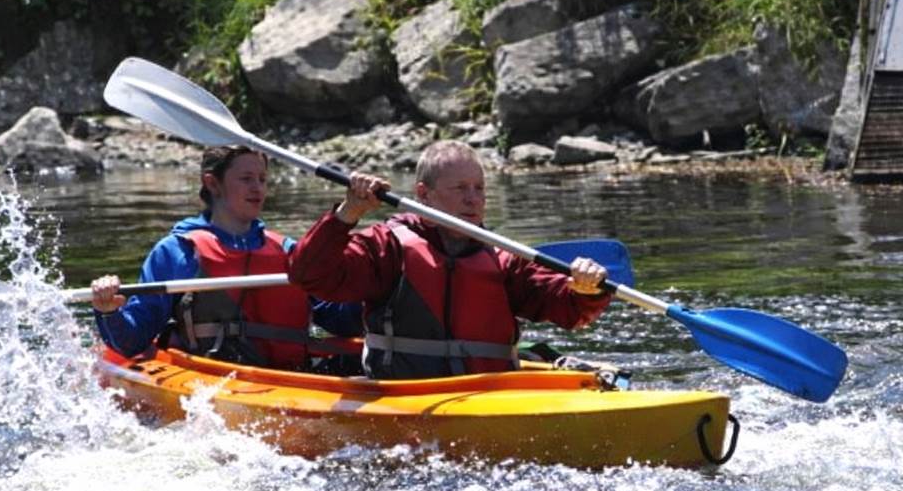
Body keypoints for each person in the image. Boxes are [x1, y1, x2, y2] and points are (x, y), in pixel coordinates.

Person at [287, 140, 611, 379]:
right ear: (424, 195)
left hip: (489, 398)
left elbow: (567, 309)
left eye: (479, 188)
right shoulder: (390, 247)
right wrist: (348, 213)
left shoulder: (502, 257)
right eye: (460, 188)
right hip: (406, 397)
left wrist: (585, 290)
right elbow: (308, 275)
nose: (473, 199)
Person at [91, 145, 361, 370]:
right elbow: (132, 340)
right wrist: (109, 311)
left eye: (262, 179)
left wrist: (368, 288)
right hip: (208, 378)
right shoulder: (177, 252)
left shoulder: (288, 250)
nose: (258, 188)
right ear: (213, 183)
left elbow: (340, 322)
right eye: (246, 179)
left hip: (289, 379)